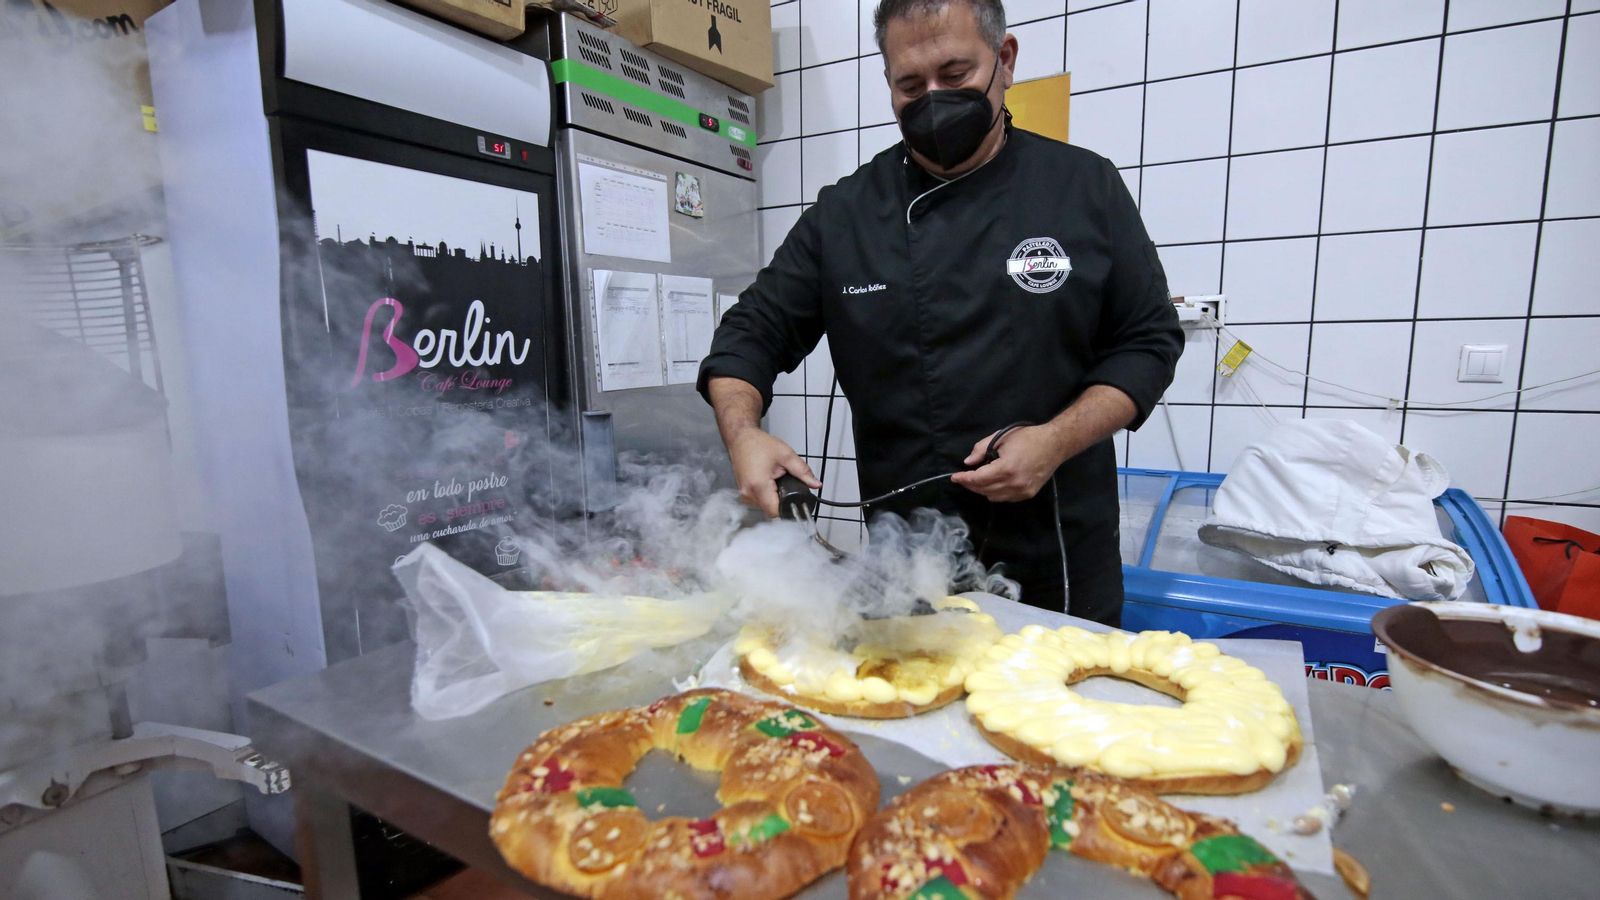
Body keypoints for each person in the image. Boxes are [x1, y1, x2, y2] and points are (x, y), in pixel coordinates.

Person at [697, 0, 1182, 625]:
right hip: (906, 565)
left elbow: (1148, 341)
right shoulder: (845, 216)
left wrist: (1056, 441)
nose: (932, 98)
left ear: (1003, 61)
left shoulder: (1084, 187)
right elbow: (748, 334)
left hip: (1059, 555)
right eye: (909, 85)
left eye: (954, 76)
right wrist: (744, 432)